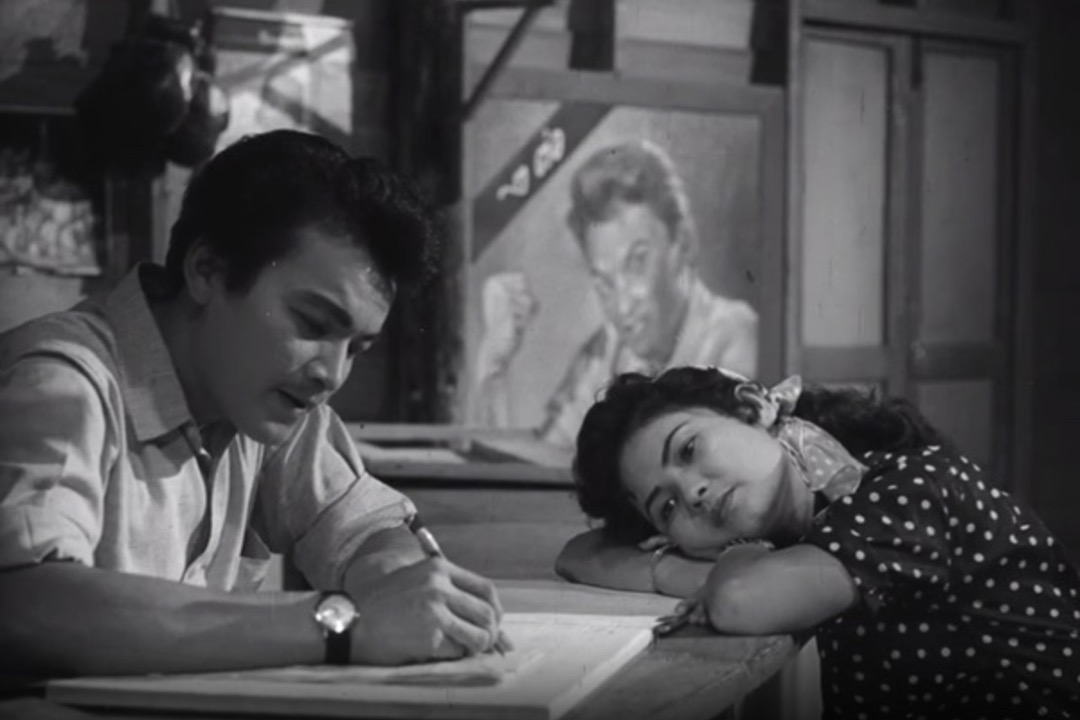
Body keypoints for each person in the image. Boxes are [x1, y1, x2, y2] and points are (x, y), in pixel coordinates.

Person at [0, 130, 509, 686]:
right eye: (313, 324)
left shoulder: (260, 400)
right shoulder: (61, 383)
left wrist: (391, 575)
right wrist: (342, 624)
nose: (332, 374)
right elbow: (26, 601)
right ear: (207, 270)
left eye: (356, 349)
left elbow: (370, 527)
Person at [556, 366, 1080, 719]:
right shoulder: (813, 535)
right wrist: (688, 569)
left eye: (689, 449)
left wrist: (715, 564)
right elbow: (578, 554)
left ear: (754, 408)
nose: (690, 492)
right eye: (666, 507)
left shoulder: (912, 487)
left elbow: (739, 600)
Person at [473, 140, 758, 446]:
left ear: (683, 242)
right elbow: (545, 464)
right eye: (604, 283)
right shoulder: (607, 355)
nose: (622, 307)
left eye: (637, 263)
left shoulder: (737, 342)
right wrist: (493, 368)